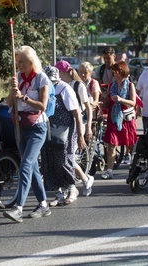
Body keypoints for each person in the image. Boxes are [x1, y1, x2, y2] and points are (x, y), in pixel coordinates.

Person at [2, 46, 51, 223]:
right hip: (20, 126)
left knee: (26, 164)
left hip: (37, 127)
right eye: (17, 62)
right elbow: (9, 102)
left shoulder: (41, 78)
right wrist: (12, 91)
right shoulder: (18, 79)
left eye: (22, 62)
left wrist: (23, 97)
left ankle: (19, 207)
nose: (19, 65)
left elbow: (42, 105)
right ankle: (43, 204)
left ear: (31, 61)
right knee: (32, 168)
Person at [41, 66, 87, 206]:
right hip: (48, 129)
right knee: (49, 162)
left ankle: (72, 188)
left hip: (65, 130)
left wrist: (80, 135)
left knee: (64, 161)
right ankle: (59, 193)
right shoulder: (43, 89)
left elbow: (77, 114)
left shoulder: (65, 89)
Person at [55, 60, 94, 197]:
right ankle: (71, 185)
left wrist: (88, 127)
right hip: (64, 126)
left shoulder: (78, 86)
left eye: (59, 72)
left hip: (77, 124)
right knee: (62, 156)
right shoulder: (59, 86)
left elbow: (88, 108)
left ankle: (83, 179)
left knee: (67, 156)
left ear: (66, 72)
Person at [101, 61, 138, 179]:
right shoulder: (111, 86)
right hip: (114, 118)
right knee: (111, 144)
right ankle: (109, 171)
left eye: (116, 71)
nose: (114, 73)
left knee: (130, 144)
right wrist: (104, 101)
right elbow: (107, 103)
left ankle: (135, 166)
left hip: (126, 118)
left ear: (122, 71)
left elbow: (133, 102)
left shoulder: (130, 85)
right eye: (113, 71)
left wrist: (121, 100)